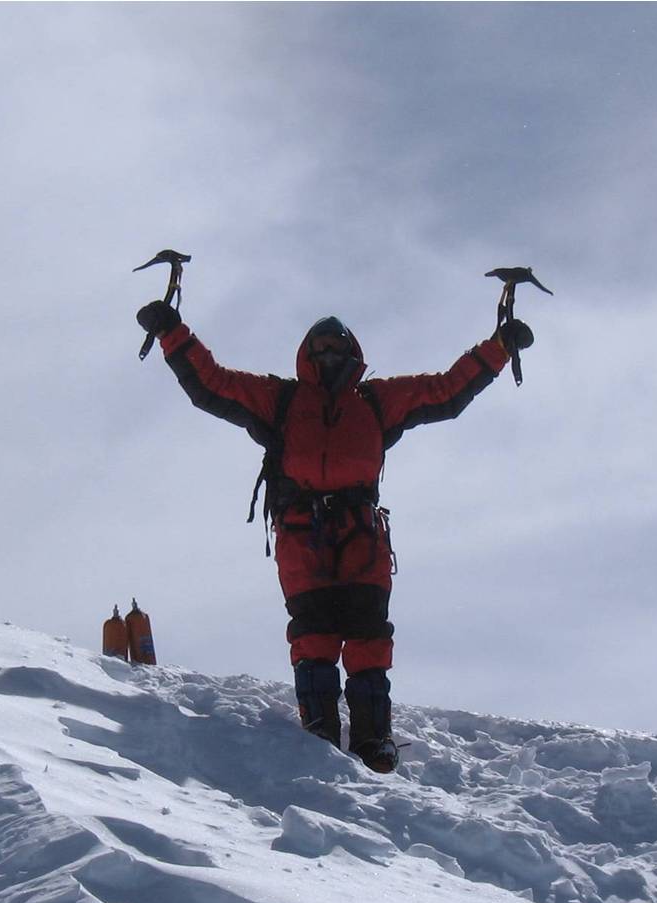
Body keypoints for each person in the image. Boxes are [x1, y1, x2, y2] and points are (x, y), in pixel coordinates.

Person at [137, 300, 532, 773]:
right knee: (314, 637)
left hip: (361, 536)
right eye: (320, 347)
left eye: (336, 346)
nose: (328, 354)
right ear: (306, 354)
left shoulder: (375, 401)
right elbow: (213, 384)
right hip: (302, 537)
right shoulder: (280, 400)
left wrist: (499, 348)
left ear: (353, 352)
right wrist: (173, 333)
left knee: (369, 639)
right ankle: (319, 731)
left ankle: (373, 740)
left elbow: (445, 390)